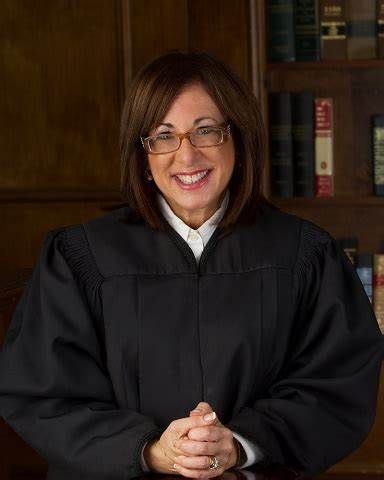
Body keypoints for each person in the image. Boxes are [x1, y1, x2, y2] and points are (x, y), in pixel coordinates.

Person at [0, 50, 383, 480]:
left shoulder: (303, 254)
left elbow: (335, 385)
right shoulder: (79, 257)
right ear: (142, 156)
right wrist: (153, 451)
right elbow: (43, 395)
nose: (186, 156)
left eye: (206, 131)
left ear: (238, 140)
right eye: (163, 136)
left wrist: (238, 446)